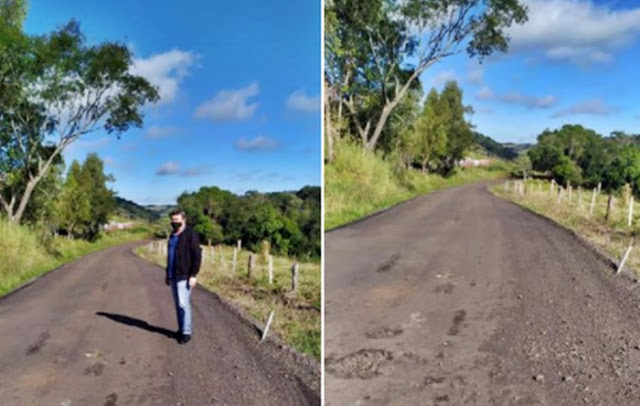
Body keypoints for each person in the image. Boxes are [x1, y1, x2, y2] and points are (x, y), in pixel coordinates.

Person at [166, 210, 202, 344]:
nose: (174, 223)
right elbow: (170, 257)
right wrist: (167, 274)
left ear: (183, 220)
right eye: (173, 220)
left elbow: (197, 255)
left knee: (183, 304)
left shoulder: (191, 234)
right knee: (178, 305)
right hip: (173, 275)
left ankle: (186, 333)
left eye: (177, 220)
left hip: (185, 275)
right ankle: (181, 329)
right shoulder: (173, 236)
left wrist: (193, 275)